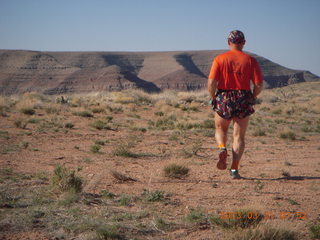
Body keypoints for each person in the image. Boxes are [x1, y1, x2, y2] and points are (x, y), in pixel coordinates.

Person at [207, 30, 264, 179]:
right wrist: (252, 96)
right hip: (243, 96)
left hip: (224, 96)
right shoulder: (251, 60)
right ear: (244, 43)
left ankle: (222, 147)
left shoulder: (219, 59)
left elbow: (212, 82)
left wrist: (213, 97)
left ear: (228, 42)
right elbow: (258, 84)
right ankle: (234, 169)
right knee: (239, 136)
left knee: (220, 128)